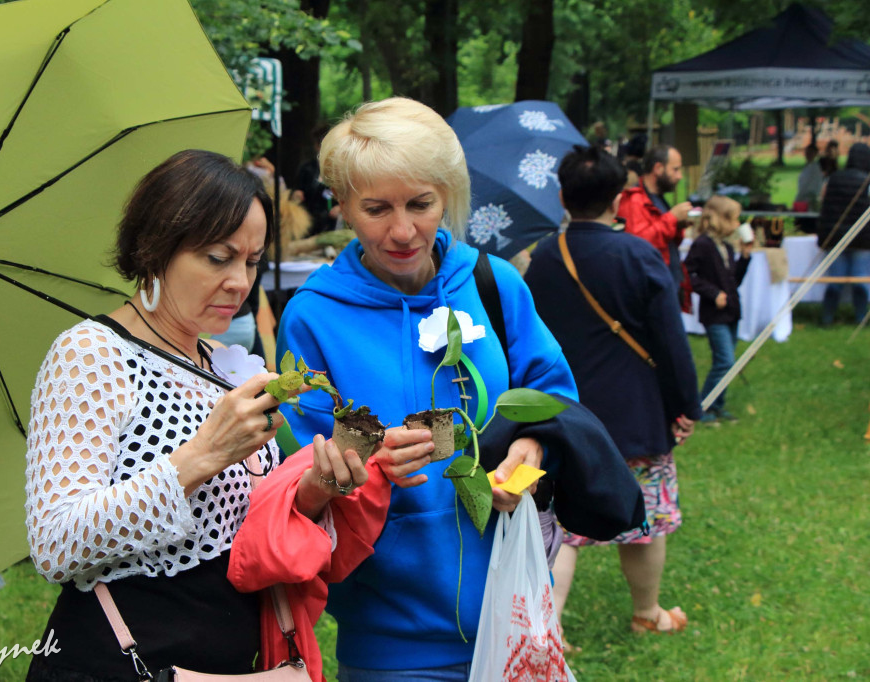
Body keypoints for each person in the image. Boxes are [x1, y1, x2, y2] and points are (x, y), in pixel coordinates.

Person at [276, 98, 639, 680]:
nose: (403, 230)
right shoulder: (314, 317)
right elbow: (302, 462)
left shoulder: (493, 282)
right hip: (390, 636)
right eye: (376, 209)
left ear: (447, 194)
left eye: (421, 204)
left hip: (516, 606)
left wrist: (528, 456)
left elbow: (551, 395)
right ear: (341, 205)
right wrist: (366, 455)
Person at [23, 149, 370, 681]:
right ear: (155, 247)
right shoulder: (91, 354)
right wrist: (205, 454)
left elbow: (237, 522)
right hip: (119, 661)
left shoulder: (222, 363)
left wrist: (314, 490)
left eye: (251, 261)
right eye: (218, 257)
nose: (240, 282)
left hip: (229, 662)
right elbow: (55, 543)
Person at [525, 145, 701, 639]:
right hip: (637, 415)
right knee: (644, 514)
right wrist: (686, 405)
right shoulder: (639, 254)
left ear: (562, 195)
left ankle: (548, 631)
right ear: (620, 198)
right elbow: (671, 341)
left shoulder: (542, 257)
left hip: (566, 413)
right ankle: (648, 612)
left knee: (566, 528)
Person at [684, 196, 752, 423]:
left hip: (731, 311)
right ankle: (703, 406)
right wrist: (713, 294)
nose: (737, 224)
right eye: (734, 219)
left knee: (726, 363)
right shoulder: (702, 245)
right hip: (714, 314)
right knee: (725, 361)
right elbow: (689, 275)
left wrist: (744, 257)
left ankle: (717, 405)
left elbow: (734, 280)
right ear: (721, 219)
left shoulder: (727, 246)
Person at [618, 144, 693, 307]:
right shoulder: (635, 200)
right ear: (658, 168)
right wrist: (672, 218)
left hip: (670, 282)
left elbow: (665, 242)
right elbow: (639, 244)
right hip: (652, 290)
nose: (679, 176)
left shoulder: (658, 199)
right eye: (675, 169)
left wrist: (679, 226)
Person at [816, 142, 870, 326]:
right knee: (861, 279)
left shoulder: (834, 178)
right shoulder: (867, 180)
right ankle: (861, 317)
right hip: (862, 239)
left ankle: (828, 317)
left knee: (835, 279)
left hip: (835, 236)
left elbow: (824, 206)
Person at [795, 143, 822, 234]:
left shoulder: (815, 168)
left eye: (810, 153)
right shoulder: (807, 167)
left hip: (810, 201)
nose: (808, 155)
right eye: (807, 152)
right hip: (803, 201)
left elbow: (813, 186)